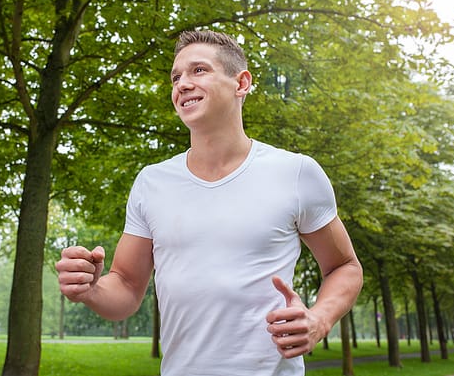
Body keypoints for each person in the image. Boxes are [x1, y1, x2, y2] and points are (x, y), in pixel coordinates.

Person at [56, 30, 363, 376]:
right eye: (176, 77)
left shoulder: (296, 173)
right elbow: (126, 287)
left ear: (241, 83)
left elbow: (344, 267)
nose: (182, 84)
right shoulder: (151, 183)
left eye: (198, 70)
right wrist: (91, 288)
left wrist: (319, 320)